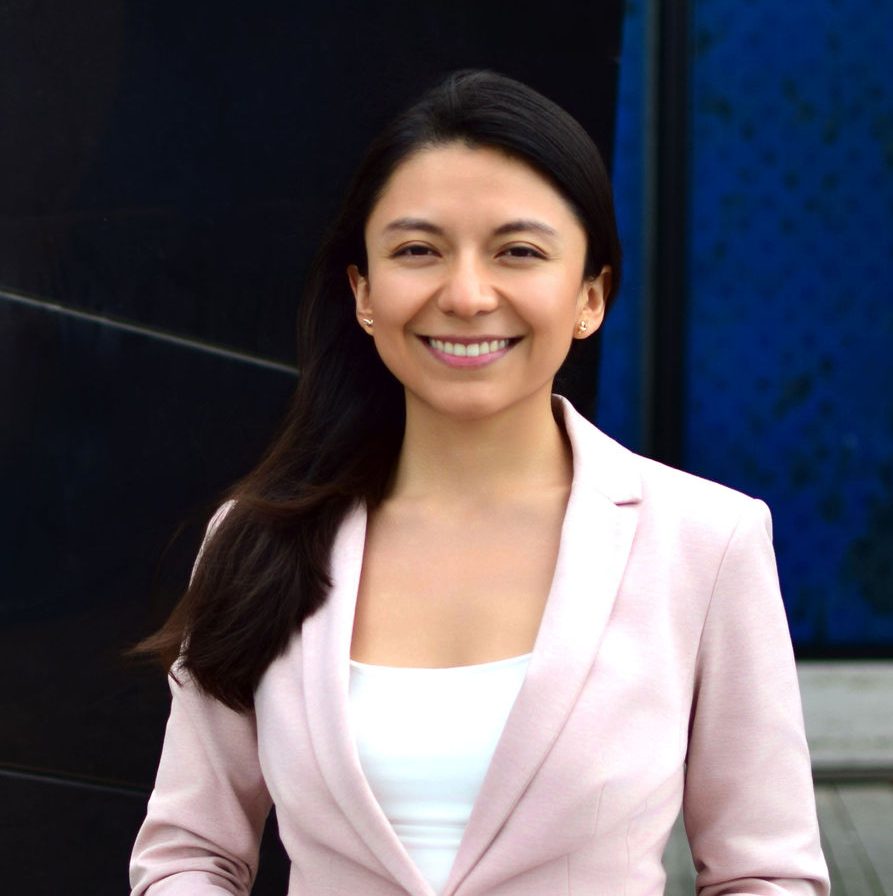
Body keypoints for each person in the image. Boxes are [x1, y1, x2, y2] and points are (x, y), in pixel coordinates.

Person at [129, 70, 829, 895]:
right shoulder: (255, 539)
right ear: (362, 291)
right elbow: (189, 855)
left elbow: (765, 872)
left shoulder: (704, 543)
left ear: (590, 296)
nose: (465, 295)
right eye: (417, 250)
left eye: (518, 252)